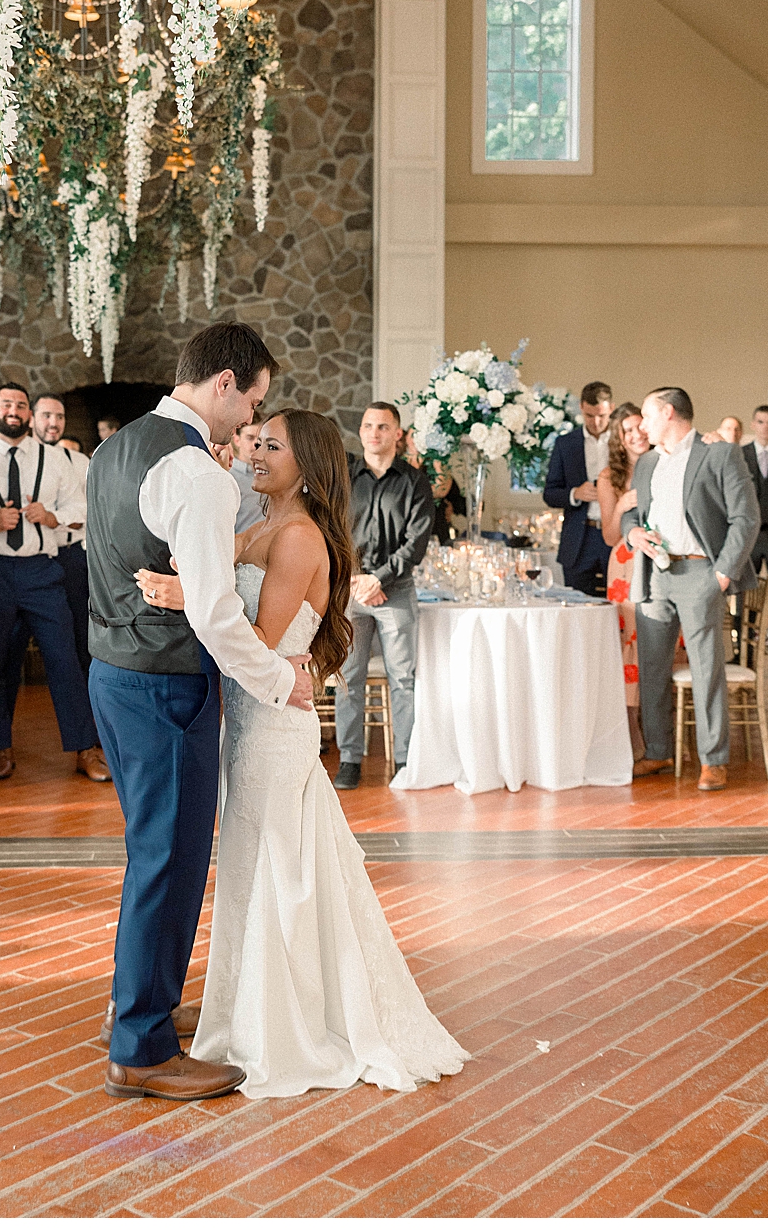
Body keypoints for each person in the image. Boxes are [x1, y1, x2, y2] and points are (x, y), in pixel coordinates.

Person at [134, 409, 470, 1098]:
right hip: (251, 722)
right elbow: (204, 563)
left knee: (277, 868)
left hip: (274, 728)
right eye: (256, 440)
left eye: (272, 445)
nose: (256, 451)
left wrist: (188, 597)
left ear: (308, 465)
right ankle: (242, 1002)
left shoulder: (296, 536)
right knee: (254, 865)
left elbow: (258, 639)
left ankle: (282, 1019)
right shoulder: (262, 522)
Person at [84, 323, 315, 1102]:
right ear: (223, 383)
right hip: (165, 686)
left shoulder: (114, 449)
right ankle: (141, 1049)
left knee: (151, 852)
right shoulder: (196, 472)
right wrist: (278, 680)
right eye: (252, 401)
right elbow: (215, 613)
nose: (250, 419)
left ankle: (136, 1004)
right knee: (171, 861)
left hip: (111, 673)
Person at [0, 383, 99, 781]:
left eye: (21, 405)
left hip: (41, 570)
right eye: (7, 404)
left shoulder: (56, 460)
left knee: (64, 658)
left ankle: (85, 749)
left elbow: (80, 507)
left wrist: (52, 517)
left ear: (29, 415)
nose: (14, 411)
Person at [622, 387, 759, 791]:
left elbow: (746, 518)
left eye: (647, 416)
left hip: (701, 572)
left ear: (668, 412)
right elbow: (633, 512)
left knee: (706, 669)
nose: (642, 426)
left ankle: (714, 759)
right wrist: (632, 534)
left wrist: (722, 574)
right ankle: (658, 751)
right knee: (652, 669)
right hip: (655, 575)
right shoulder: (647, 462)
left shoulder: (719, 454)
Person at [2, 394, 109, 783]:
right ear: (33, 418)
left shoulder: (79, 462)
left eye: (59, 416)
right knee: (6, 655)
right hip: (18, 563)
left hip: (71, 560)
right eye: (46, 415)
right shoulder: (9, 460)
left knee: (76, 653)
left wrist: (53, 517)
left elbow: (87, 513)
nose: (53, 422)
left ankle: (87, 746)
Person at [333, 403, 436, 788]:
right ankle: (349, 759)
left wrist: (379, 579)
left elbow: (417, 541)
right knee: (349, 677)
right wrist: (357, 578)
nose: (374, 433)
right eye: (368, 426)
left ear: (398, 434)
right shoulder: (344, 477)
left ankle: (406, 760)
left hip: (395, 591)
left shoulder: (414, 481)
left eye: (382, 426)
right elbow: (332, 528)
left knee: (403, 679)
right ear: (360, 431)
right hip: (350, 589)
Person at [597, 403, 650, 761]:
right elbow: (608, 536)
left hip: (662, 561)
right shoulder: (609, 477)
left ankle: (664, 731)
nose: (635, 435)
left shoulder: (664, 462)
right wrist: (621, 506)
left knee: (660, 642)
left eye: (639, 427)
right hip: (625, 567)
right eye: (627, 431)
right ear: (619, 438)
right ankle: (632, 732)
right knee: (630, 645)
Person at [544, 380, 614, 595]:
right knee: (577, 603)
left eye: (602, 415)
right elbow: (549, 493)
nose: (596, 422)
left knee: (620, 604)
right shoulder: (565, 443)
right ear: (581, 408)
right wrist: (575, 494)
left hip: (615, 534)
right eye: (590, 416)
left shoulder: (624, 440)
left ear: (611, 408)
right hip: (579, 540)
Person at [743, 406, 768, 574]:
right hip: (750, 533)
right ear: (753, 424)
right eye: (761, 422)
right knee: (747, 582)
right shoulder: (740, 454)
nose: (765, 427)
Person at [230, 414, 265, 533]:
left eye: (260, 439)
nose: (256, 443)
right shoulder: (229, 477)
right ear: (237, 440)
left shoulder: (273, 475)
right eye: (250, 438)